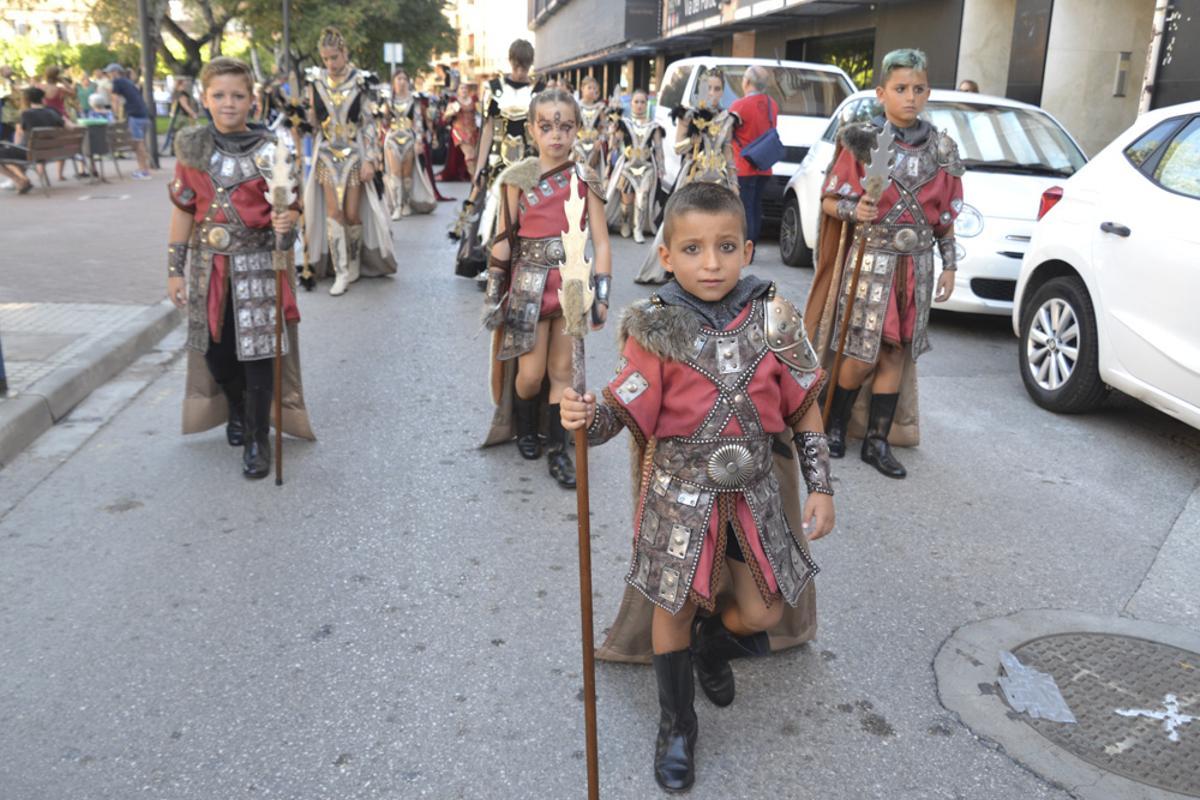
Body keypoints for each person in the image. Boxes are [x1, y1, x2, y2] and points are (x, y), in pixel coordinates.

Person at [561, 181, 835, 792]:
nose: (710, 263)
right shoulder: (656, 327)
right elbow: (620, 409)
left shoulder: (774, 316)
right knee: (674, 608)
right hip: (678, 498)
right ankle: (677, 724)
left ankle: (713, 645)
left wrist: (821, 486)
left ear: (748, 249)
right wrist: (586, 416)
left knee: (762, 611)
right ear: (667, 255)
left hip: (754, 497)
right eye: (692, 249)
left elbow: (805, 406)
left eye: (725, 246)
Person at [804, 48, 963, 479]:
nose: (910, 97)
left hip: (917, 265)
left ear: (927, 92)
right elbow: (831, 199)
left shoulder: (942, 148)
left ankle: (877, 441)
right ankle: (836, 424)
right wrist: (854, 210)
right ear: (881, 93)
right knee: (861, 353)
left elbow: (946, 218)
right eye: (901, 88)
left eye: (918, 89)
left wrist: (949, 265)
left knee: (896, 352)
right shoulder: (862, 141)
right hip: (872, 260)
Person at [164, 56, 315, 477]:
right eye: (219, 95)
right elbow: (183, 211)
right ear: (205, 99)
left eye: (237, 95)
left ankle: (256, 438)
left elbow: (290, 207)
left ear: (252, 100)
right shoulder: (192, 149)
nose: (228, 103)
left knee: (258, 354)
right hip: (208, 267)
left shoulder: (271, 149)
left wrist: (287, 221)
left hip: (258, 263)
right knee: (217, 353)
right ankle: (237, 406)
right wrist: (174, 269)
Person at [481, 88, 611, 489]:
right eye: (547, 126)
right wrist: (493, 294)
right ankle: (525, 428)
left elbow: (602, 242)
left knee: (561, 372)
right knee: (530, 375)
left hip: (572, 284)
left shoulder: (586, 177)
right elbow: (504, 239)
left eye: (566, 126)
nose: (557, 135)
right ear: (532, 129)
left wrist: (602, 294)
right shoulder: (516, 178)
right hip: (529, 287)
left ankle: (557, 449)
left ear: (577, 128)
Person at [302, 26, 395, 296]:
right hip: (326, 155)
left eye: (334, 57)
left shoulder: (362, 81)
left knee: (352, 214)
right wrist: (299, 119)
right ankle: (340, 270)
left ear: (344, 53)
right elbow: (313, 121)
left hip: (354, 155)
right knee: (334, 212)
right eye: (325, 59)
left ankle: (353, 263)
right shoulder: (315, 81)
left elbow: (369, 124)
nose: (330, 64)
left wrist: (371, 160)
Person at [451, 39, 545, 281]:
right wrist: (479, 168)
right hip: (497, 159)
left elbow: (541, 131)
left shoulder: (539, 90)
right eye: (517, 66)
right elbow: (488, 130)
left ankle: (519, 265)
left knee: (524, 213)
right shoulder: (494, 88)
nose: (520, 72)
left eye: (525, 67)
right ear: (511, 61)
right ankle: (490, 264)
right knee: (491, 211)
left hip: (528, 160)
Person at [635, 70, 738, 285]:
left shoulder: (727, 119)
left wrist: (734, 183)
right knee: (682, 224)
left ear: (722, 92)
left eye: (717, 89)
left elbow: (728, 153)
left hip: (718, 180)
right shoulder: (688, 115)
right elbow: (678, 148)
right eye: (708, 88)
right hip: (693, 177)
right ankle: (674, 268)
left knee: (717, 228)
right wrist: (694, 137)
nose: (712, 93)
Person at [605, 88, 665, 244]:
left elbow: (659, 149)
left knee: (642, 197)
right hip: (627, 167)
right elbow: (614, 146)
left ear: (647, 104)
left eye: (642, 102)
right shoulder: (624, 124)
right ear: (631, 104)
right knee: (627, 199)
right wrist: (612, 132)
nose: (639, 105)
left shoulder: (654, 126)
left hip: (646, 167)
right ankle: (625, 224)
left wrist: (661, 168)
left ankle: (638, 229)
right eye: (636, 102)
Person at [729, 66, 777, 259]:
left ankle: (746, 249)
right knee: (756, 207)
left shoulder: (740, 106)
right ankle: (752, 246)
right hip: (764, 164)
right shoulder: (772, 104)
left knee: (745, 208)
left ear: (747, 82)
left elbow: (727, 131)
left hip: (744, 165)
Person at [383, 69, 437, 219]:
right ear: (393, 82)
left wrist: (419, 141)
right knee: (395, 172)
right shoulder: (388, 100)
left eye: (404, 79)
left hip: (408, 139)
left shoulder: (415, 100)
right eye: (399, 79)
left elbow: (418, 121)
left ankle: (406, 202)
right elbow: (383, 122)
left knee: (406, 174)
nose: (402, 82)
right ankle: (397, 206)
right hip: (392, 138)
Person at [0, 86, 67, 194]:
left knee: (5, 153)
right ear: (42, 98)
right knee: (9, 154)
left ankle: (21, 180)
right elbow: (67, 126)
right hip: (49, 151)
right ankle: (20, 180)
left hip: (31, 152)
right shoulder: (52, 111)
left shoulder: (26, 114)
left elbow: (20, 132)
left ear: (27, 100)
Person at [104, 63, 152, 179]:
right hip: (144, 115)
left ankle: (144, 171)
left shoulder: (117, 82)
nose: (108, 76)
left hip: (135, 115)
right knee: (141, 143)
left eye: (109, 73)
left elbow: (115, 99)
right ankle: (144, 168)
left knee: (138, 144)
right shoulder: (128, 82)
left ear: (115, 72)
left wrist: (114, 115)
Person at [440, 81, 478, 182]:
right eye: (461, 88)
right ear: (458, 91)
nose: (464, 90)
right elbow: (444, 118)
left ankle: (474, 176)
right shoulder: (454, 103)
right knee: (469, 154)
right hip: (459, 130)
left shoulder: (473, 101)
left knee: (475, 155)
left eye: (465, 88)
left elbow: (480, 113)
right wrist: (451, 113)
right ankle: (474, 179)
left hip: (473, 130)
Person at [573, 76, 608, 176]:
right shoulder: (576, 107)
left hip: (595, 147)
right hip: (579, 145)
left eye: (594, 88)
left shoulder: (600, 108)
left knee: (593, 175)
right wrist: (574, 142)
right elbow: (571, 127)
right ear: (582, 88)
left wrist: (600, 140)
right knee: (579, 173)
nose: (592, 90)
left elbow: (604, 128)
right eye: (589, 88)